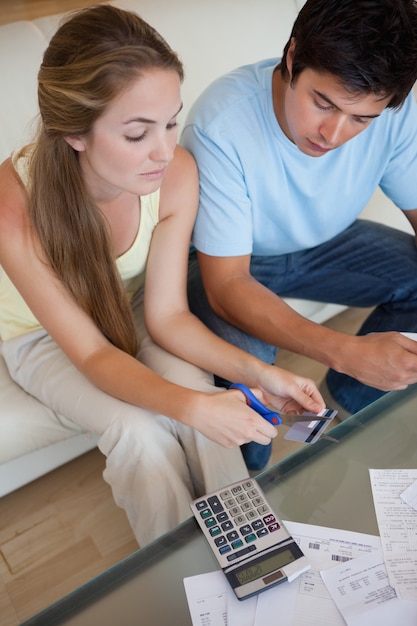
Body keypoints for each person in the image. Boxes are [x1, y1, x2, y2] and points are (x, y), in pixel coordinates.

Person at [0, 4, 325, 545]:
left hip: (132, 304)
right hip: (40, 338)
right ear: (74, 134)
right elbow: (93, 354)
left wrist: (261, 377)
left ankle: (257, 556)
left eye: (171, 122)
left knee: (206, 394)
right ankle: (186, 585)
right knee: (139, 433)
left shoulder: (176, 174)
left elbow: (169, 316)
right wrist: (193, 409)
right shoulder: (14, 206)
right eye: (136, 134)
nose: (164, 150)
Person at [182, 0, 417, 470]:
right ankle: (253, 477)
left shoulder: (396, 107)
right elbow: (228, 286)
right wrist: (347, 349)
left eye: (361, 119)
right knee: (251, 368)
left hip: (323, 245)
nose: (332, 133)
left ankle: (353, 398)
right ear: (292, 57)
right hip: (221, 264)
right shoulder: (221, 123)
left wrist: (355, 363)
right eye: (322, 103)